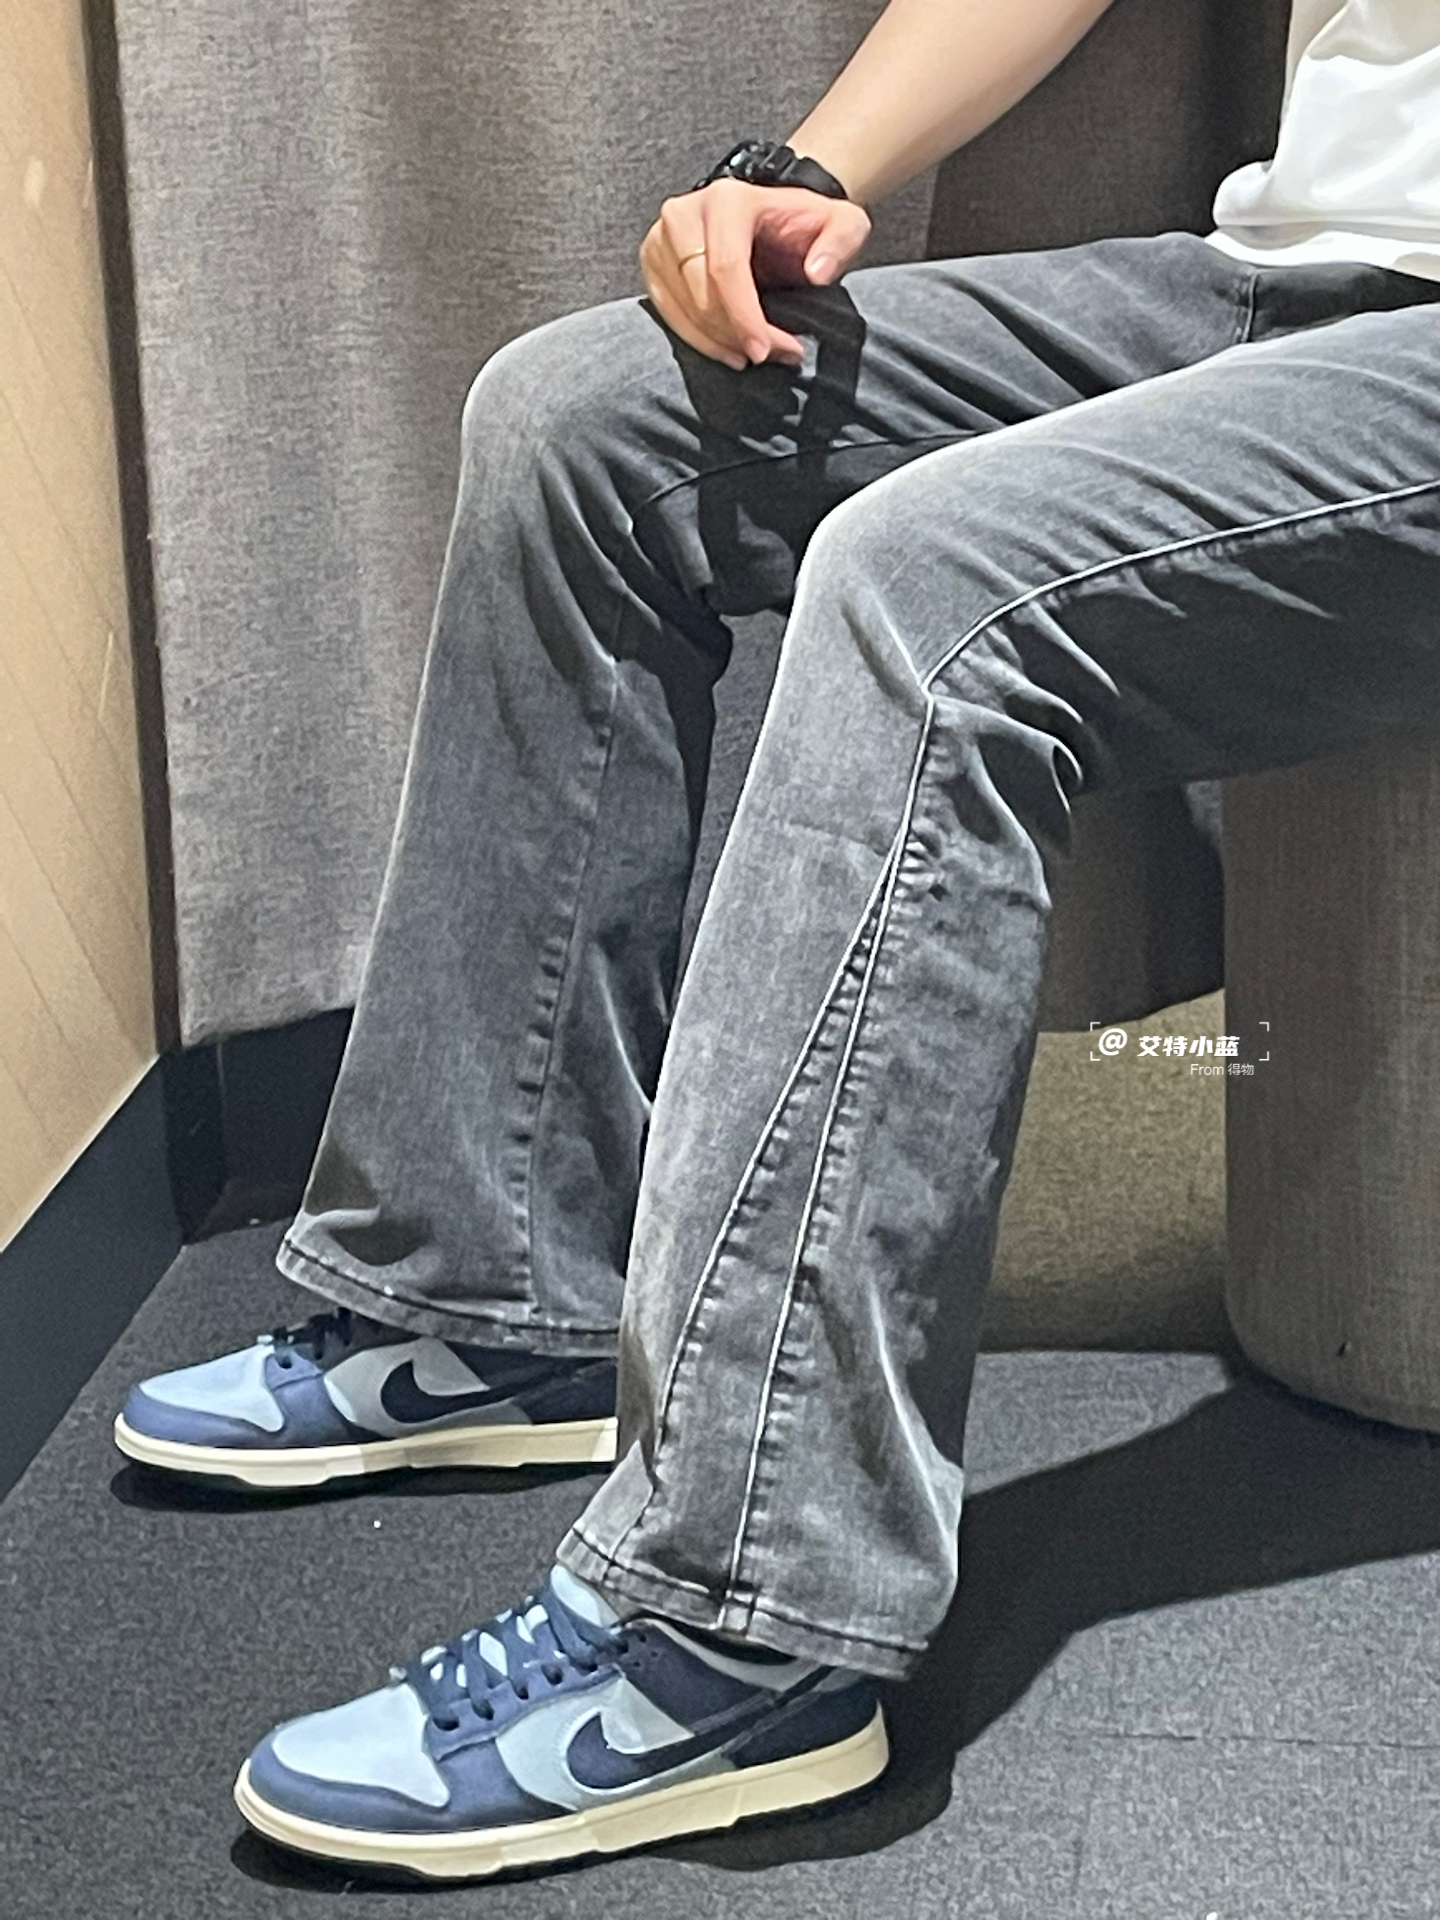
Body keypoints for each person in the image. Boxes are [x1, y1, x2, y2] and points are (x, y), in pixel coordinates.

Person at [114, 0, 1438, 1881]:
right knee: (585, 423)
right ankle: (492, 1287)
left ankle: (743, 1618)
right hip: (1293, 279)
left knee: (930, 594)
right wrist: (811, 172)